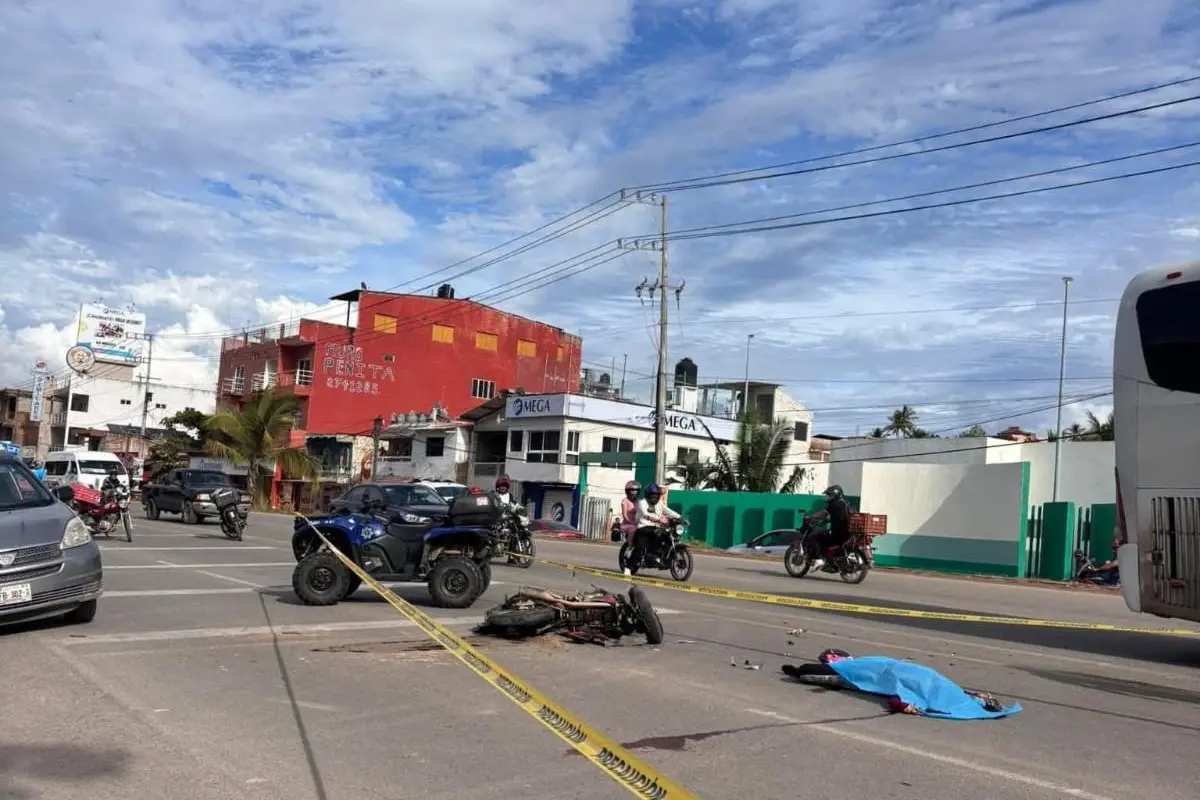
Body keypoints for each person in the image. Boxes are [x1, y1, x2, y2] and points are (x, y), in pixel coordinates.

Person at [626, 483, 681, 575]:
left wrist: (680, 517)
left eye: (656, 495)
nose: (654, 497)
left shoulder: (659, 504)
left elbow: (668, 511)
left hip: (656, 527)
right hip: (643, 527)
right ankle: (629, 567)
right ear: (648, 495)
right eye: (652, 495)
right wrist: (658, 519)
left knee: (667, 537)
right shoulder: (642, 503)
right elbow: (645, 514)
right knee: (640, 546)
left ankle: (660, 558)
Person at [804, 484, 851, 568]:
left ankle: (818, 560)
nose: (828, 497)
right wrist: (828, 520)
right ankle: (830, 558)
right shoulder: (845, 504)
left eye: (830, 495)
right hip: (846, 535)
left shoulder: (834, 504)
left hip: (836, 535)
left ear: (835, 495)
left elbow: (823, 514)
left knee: (813, 536)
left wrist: (811, 517)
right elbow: (839, 517)